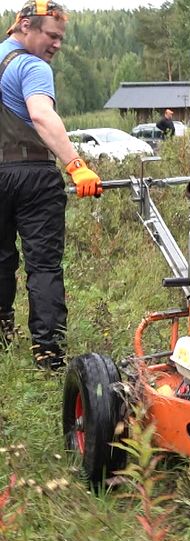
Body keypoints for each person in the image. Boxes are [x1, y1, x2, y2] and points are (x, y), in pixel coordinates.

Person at [0, 0, 102, 370]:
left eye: (60, 38)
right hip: (34, 174)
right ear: (25, 26)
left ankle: (2, 334)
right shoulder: (32, 66)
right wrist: (76, 165)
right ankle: (48, 353)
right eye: (52, 36)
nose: (57, 45)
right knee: (43, 265)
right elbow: (42, 115)